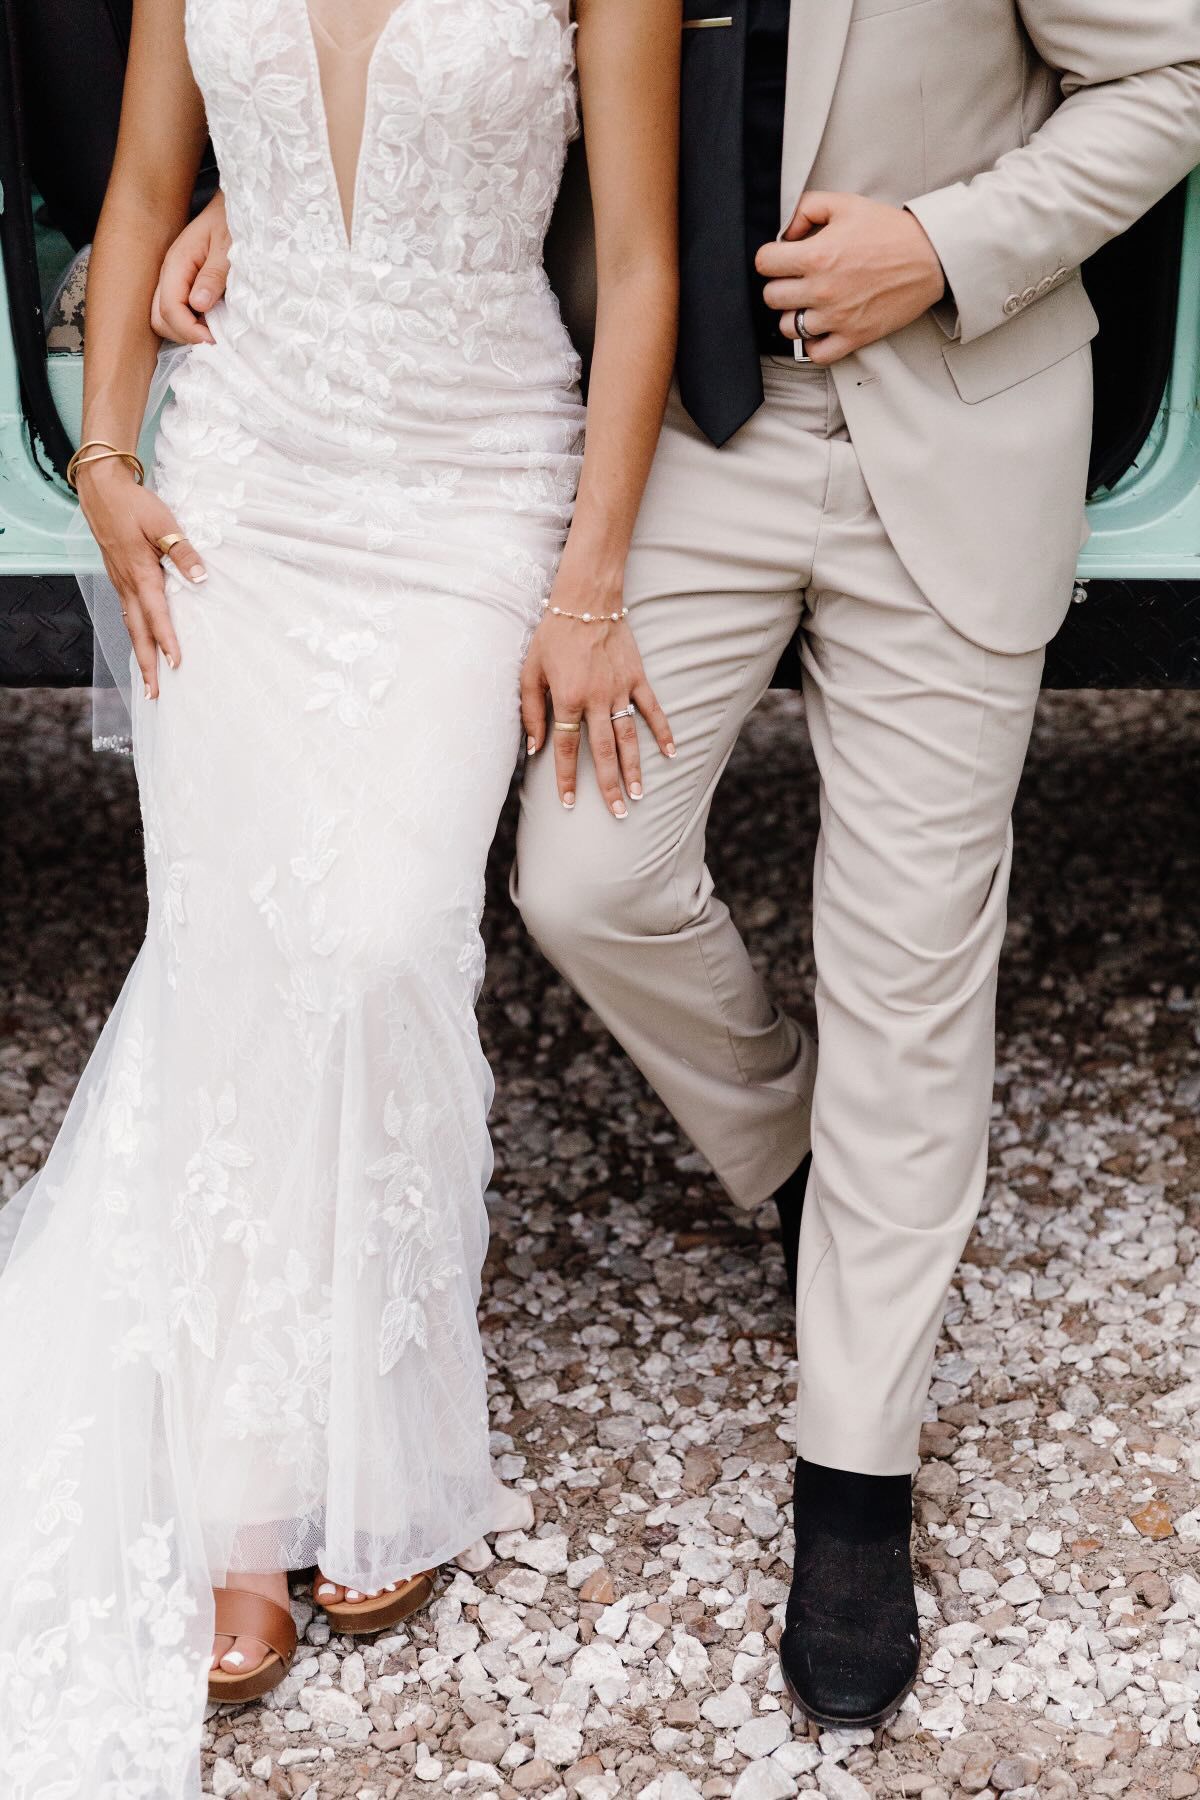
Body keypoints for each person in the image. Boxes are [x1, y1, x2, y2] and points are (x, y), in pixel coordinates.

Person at [148, 0, 1200, 1739]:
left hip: (944, 413)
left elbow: (1175, 67)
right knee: (584, 877)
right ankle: (810, 1165)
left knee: (911, 963)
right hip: (700, 441)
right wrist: (281, 193)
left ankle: (856, 1486)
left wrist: (945, 243)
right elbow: (469, 56)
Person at [0, 0, 678, 1792]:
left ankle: (381, 1419)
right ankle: (241, 1485)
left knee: (380, 940)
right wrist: (112, 464)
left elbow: (638, 256)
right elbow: (145, 191)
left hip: (470, 484)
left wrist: (588, 579)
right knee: (237, 947)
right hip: (240, 483)